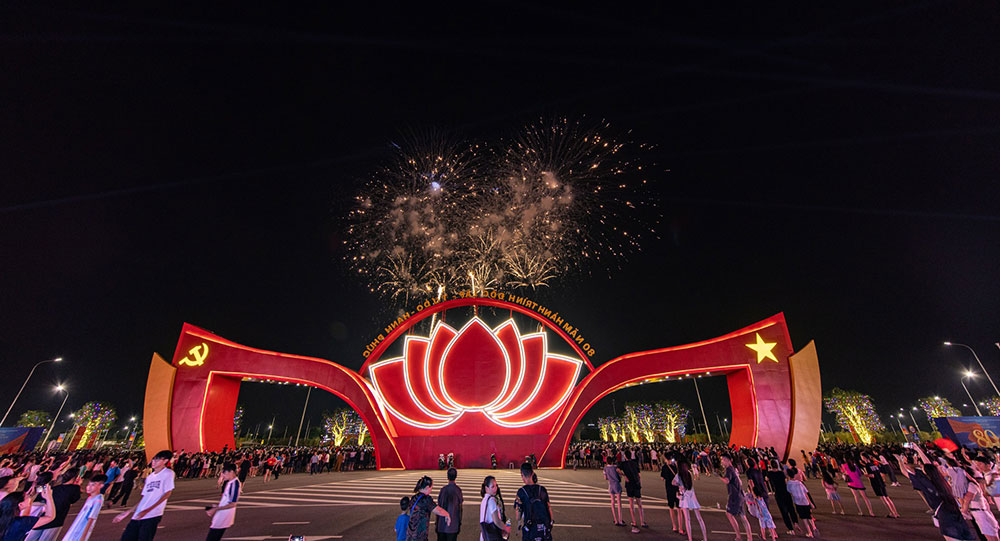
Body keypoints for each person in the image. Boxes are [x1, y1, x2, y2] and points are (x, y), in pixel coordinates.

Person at [114, 450, 175, 541]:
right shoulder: (150, 477)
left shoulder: (168, 473)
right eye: (153, 459)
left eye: (157, 460)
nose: (153, 462)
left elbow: (167, 494)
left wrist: (147, 510)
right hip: (138, 514)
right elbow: (144, 498)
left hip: (152, 515)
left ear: (165, 461)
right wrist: (127, 512)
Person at [26, 468, 81, 541]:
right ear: (76, 477)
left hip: (42, 518)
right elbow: (73, 500)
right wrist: (78, 485)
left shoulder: (52, 487)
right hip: (56, 520)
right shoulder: (74, 488)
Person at [59, 474, 105, 541]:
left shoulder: (98, 500)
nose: (89, 487)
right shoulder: (90, 498)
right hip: (76, 527)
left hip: (81, 530)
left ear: (101, 486)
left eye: (93, 485)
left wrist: (83, 537)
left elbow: (91, 520)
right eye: (88, 485)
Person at [514, 463, 552, 541]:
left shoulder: (521, 492)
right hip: (544, 529)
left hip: (530, 530)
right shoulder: (542, 490)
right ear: (532, 473)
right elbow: (549, 509)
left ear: (522, 475)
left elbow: (518, 517)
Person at [406, 476, 451, 541]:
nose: (431, 489)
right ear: (427, 487)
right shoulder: (426, 500)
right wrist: (447, 514)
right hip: (420, 536)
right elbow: (438, 510)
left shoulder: (414, 497)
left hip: (410, 535)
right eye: (431, 487)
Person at [720, 455, 753, 541]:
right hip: (740, 494)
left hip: (734, 497)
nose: (722, 462)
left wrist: (719, 476)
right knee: (743, 517)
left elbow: (727, 480)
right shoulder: (733, 469)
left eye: (723, 460)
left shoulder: (729, 470)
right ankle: (749, 537)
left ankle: (738, 536)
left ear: (728, 460)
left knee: (729, 514)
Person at [205, 463, 240, 541]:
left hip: (223, 516)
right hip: (222, 515)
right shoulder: (230, 483)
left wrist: (216, 509)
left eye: (224, 473)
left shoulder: (234, 484)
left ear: (231, 472)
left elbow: (233, 504)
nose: (223, 475)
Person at [673, 461, 706, 541]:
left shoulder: (678, 475)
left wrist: (679, 486)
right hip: (692, 496)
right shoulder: (689, 473)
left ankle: (690, 538)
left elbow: (673, 483)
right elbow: (690, 485)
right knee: (700, 519)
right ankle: (705, 538)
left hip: (685, 499)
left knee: (687, 520)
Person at [766, 459, 800, 535]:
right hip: (785, 491)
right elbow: (785, 480)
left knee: (784, 511)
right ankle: (795, 522)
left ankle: (790, 529)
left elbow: (767, 479)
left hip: (778, 493)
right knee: (791, 508)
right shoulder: (781, 473)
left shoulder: (770, 473)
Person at [618, 455, 646, 532]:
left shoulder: (623, 464)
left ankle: (634, 522)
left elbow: (617, 469)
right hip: (636, 484)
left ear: (625, 456)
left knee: (631, 504)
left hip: (629, 484)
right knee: (639, 504)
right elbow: (639, 475)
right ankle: (642, 522)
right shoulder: (635, 463)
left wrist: (624, 476)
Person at [785, 470, 816, 538]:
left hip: (798, 502)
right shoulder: (799, 483)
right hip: (805, 501)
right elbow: (806, 493)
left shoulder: (789, 483)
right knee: (809, 516)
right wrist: (810, 502)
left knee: (804, 518)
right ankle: (814, 527)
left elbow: (789, 492)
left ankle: (810, 532)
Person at [479, 476, 510, 541]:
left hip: (485, 536)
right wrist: (506, 528)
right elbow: (496, 521)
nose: (495, 489)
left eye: (496, 486)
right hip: (493, 535)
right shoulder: (491, 500)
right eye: (492, 487)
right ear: (486, 488)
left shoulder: (484, 500)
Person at [435, 468, 462, 541]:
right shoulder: (458, 490)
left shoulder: (443, 490)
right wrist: (459, 523)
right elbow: (459, 509)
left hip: (441, 525)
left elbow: (438, 507)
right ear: (456, 476)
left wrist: (436, 523)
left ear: (447, 477)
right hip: (453, 526)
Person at [660, 457, 683, 534]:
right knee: (679, 508)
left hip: (669, 489)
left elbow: (662, 478)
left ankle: (674, 526)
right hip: (677, 489)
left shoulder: (664, 467)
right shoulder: (676, 466)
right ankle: (680, 528)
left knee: (671, 507)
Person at [603, 457, 624, 527]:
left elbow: (605, 478)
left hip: (610, 485)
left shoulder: (605, 468)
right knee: (619, 502)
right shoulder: (615, 467)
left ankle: (615, 520)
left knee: (612, 502)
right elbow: (620, 474)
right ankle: (620, 520)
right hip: (617, 485)